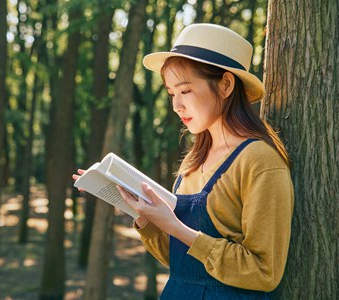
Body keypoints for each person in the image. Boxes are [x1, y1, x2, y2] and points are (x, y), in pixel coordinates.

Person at [73, 23, 294, 299]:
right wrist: (146, 218)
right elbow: (181, 261)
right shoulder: (192, 162)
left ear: (225, 84)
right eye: (171, 94)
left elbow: (264, 272)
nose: (176, 105)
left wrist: (176, 227)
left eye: (185, 91)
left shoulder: (260, 161)